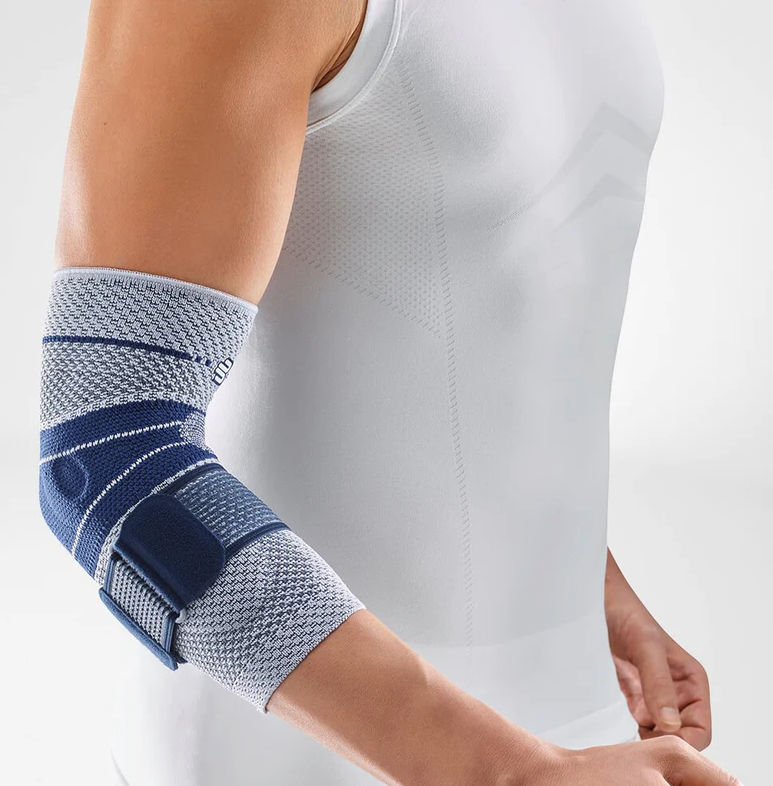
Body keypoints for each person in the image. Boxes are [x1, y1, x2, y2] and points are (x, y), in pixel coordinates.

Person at [41, 0, 740, 784]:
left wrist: (586, 588)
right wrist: (506, 772)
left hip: (586, 735)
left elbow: (481, 318)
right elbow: (105, 454)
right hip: (303, 753)